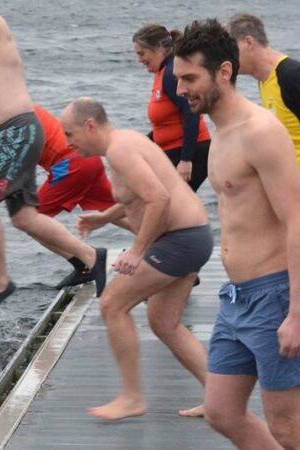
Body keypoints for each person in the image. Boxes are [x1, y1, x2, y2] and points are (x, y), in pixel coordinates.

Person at [174, 19, 300, 449]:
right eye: (178, 78)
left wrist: (297, 313)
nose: (181, 90)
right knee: (222, 412)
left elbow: (296, 218)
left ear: (224, 72)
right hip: (237, 297)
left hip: (276, 295)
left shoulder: (261, 132)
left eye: (190, 78)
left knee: (287, 427)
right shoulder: (218, 130)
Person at [0, 0, 106, 315]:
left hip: (15, 133)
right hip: (6, 136)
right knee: (24, 218)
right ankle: (91, 258)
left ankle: (0, 282)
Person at [61, 97, 212, 421]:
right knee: (164, 323)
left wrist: (137, 251)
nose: (68, 144)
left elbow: (159, 198)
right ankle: (219, 398)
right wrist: (103, 218)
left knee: (112, 304)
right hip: (192, 237)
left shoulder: (120, 150)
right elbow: (140, 194)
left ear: (90, 126)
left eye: (70, 135)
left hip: (180, 240)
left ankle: (132, 397)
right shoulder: (126, 142)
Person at [0, 104, 125, 292]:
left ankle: (88, 260)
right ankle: (152, 240)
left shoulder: (12, 114)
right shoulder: (17, 110)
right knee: (114, 209)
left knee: (29, 217)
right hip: (87, 158)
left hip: (70, 164)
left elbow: (9, 152)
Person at [133, 23, 212, 191]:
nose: (139, 60)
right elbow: (167, 123)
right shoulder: (162, 73)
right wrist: (140, 143)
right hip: (173, 152)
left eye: (142, 53)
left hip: (191, 152)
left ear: (158, 49)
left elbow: (191, 114)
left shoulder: (171, 74)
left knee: (172, 209)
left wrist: (186, 160)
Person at [227, 13, 300, 167]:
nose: (228, 59)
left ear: (248, 43)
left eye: (231, 51)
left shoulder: (290, 75)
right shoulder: (264, 80)